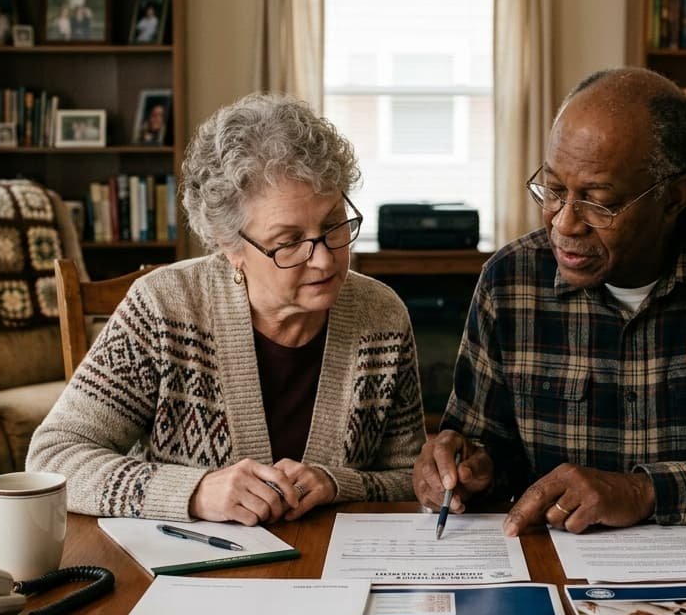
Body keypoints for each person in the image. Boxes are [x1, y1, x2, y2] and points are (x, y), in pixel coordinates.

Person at [413, 67, 686, 536]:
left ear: (674, 198)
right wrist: (466, 470)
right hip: (555, 569)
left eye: (597, 201)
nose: (564, 223)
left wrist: (646, 492)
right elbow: (485, 447)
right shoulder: (509, 281)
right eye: (553, 190)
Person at [29, 93, 425, 524]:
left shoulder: (381, 317)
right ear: (230, 246)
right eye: (289, 242)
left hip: (336, 571)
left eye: (332, 225)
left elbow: (409, 478)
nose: (325, 259)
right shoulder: (163, 308)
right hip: (192, 574)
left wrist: (336, 483)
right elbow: (53, 458)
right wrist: (195, 492)